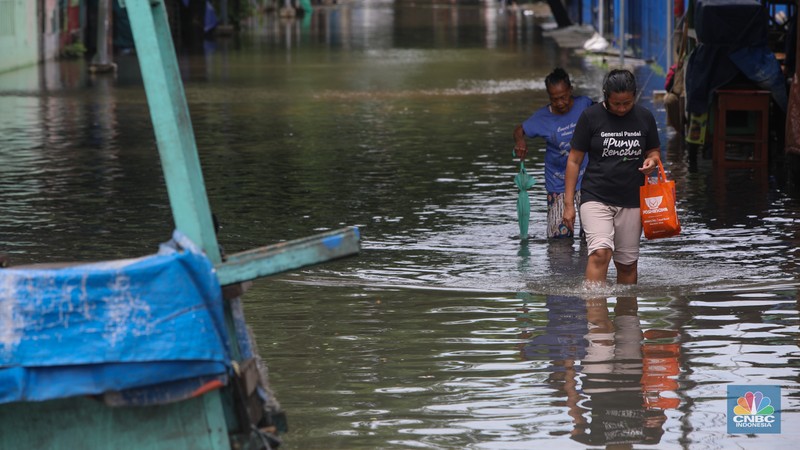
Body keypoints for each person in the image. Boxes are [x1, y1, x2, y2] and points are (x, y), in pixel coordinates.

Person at [562, 69, 661, 285]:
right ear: (606, 96)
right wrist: (568, 204)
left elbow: (653, 152)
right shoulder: (590, 117)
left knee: (627, 265)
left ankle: (627, 316)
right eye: (616, 103)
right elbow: (574, 160)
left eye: (627, 103)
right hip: (595, 195)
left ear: (634, 96)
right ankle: (596, 315)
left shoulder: (645, 117)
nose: (622, 108)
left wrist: (651, 162)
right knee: (600, 253)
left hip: (632, 200)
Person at [513, 68, 593, 239]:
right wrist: (520, 141)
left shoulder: (584, 104)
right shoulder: (542, 117)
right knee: (559, 239)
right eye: (554, 99)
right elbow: (519, 130)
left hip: (587, 179)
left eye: (563, 97)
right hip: (558, 182)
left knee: (592, 236)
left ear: (570, 90)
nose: (560, 103)